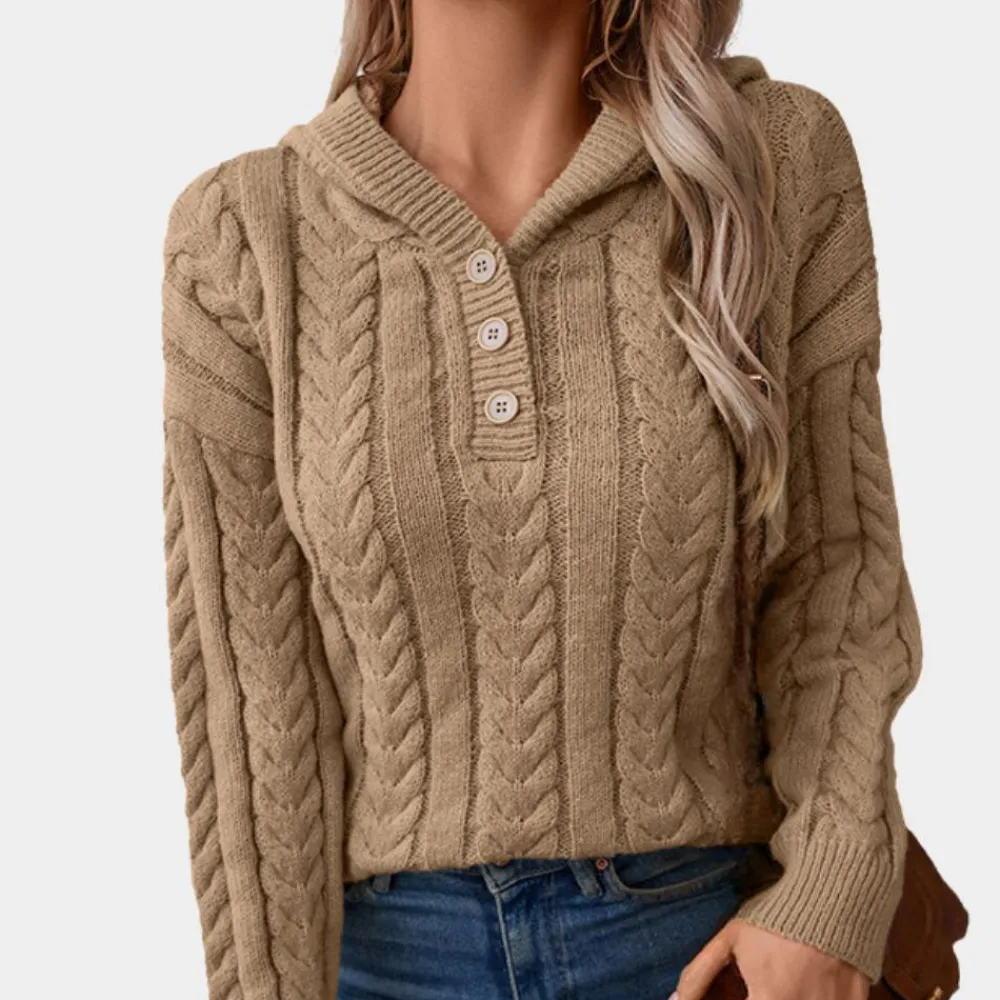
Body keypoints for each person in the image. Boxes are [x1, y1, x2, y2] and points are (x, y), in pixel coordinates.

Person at [160, 1, 923, 998]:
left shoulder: (771, 161)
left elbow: (837, 577)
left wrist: (830, 891)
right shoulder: (243, 235)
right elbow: (252, 700)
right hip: (382, 961)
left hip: (697, 944)